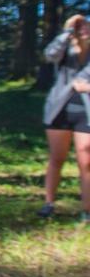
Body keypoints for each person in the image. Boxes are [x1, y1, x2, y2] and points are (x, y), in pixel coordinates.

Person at [39, 13, 90, 223]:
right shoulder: (64, 51)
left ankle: (87, 209)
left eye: (87, 25)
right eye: (80, 26)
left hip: (85, 113)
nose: (84, 29)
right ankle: (49, 203)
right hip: (58, 111)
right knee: (56, 158)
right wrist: (67, 31)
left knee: (86, 161)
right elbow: (49, 54)